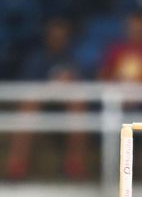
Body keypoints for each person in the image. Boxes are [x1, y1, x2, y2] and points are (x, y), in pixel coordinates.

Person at [5, 16, 89, 180]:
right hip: (40, 106)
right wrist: (50, 87)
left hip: (66, 106)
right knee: (28, 107)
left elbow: (82, 86)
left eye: (62, 37)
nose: (58, 40)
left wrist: (68, 82)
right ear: (48, 37)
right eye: (54, 36)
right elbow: (28, 88)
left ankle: (74, 166)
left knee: (79, 106)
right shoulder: (36, 59)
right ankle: (16, 167)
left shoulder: (72, 59)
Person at [99, 11, 142, 82]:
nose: (136, 32)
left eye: (140, 30)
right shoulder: (115, 49)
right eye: (133, 28)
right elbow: (103, 74)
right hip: (117, 89)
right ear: (126, 28)